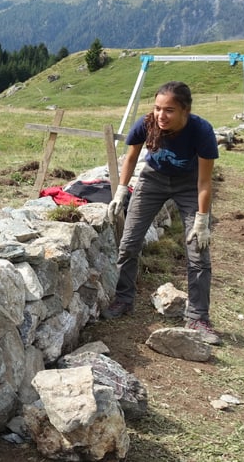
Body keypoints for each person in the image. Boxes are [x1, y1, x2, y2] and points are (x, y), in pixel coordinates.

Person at [103, 81, 221, 345]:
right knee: (129, 242)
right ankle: (123, 299)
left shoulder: (201, 131)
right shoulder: (146, 124)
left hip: (190, 183)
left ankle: (198, 317)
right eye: (157, 108)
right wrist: (122, 190)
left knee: (197, 249)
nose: (161, 115)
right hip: (152, 180)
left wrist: (202, 220)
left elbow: (204, 182)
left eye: (169, 110)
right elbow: (131, 158)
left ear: (185, 111)